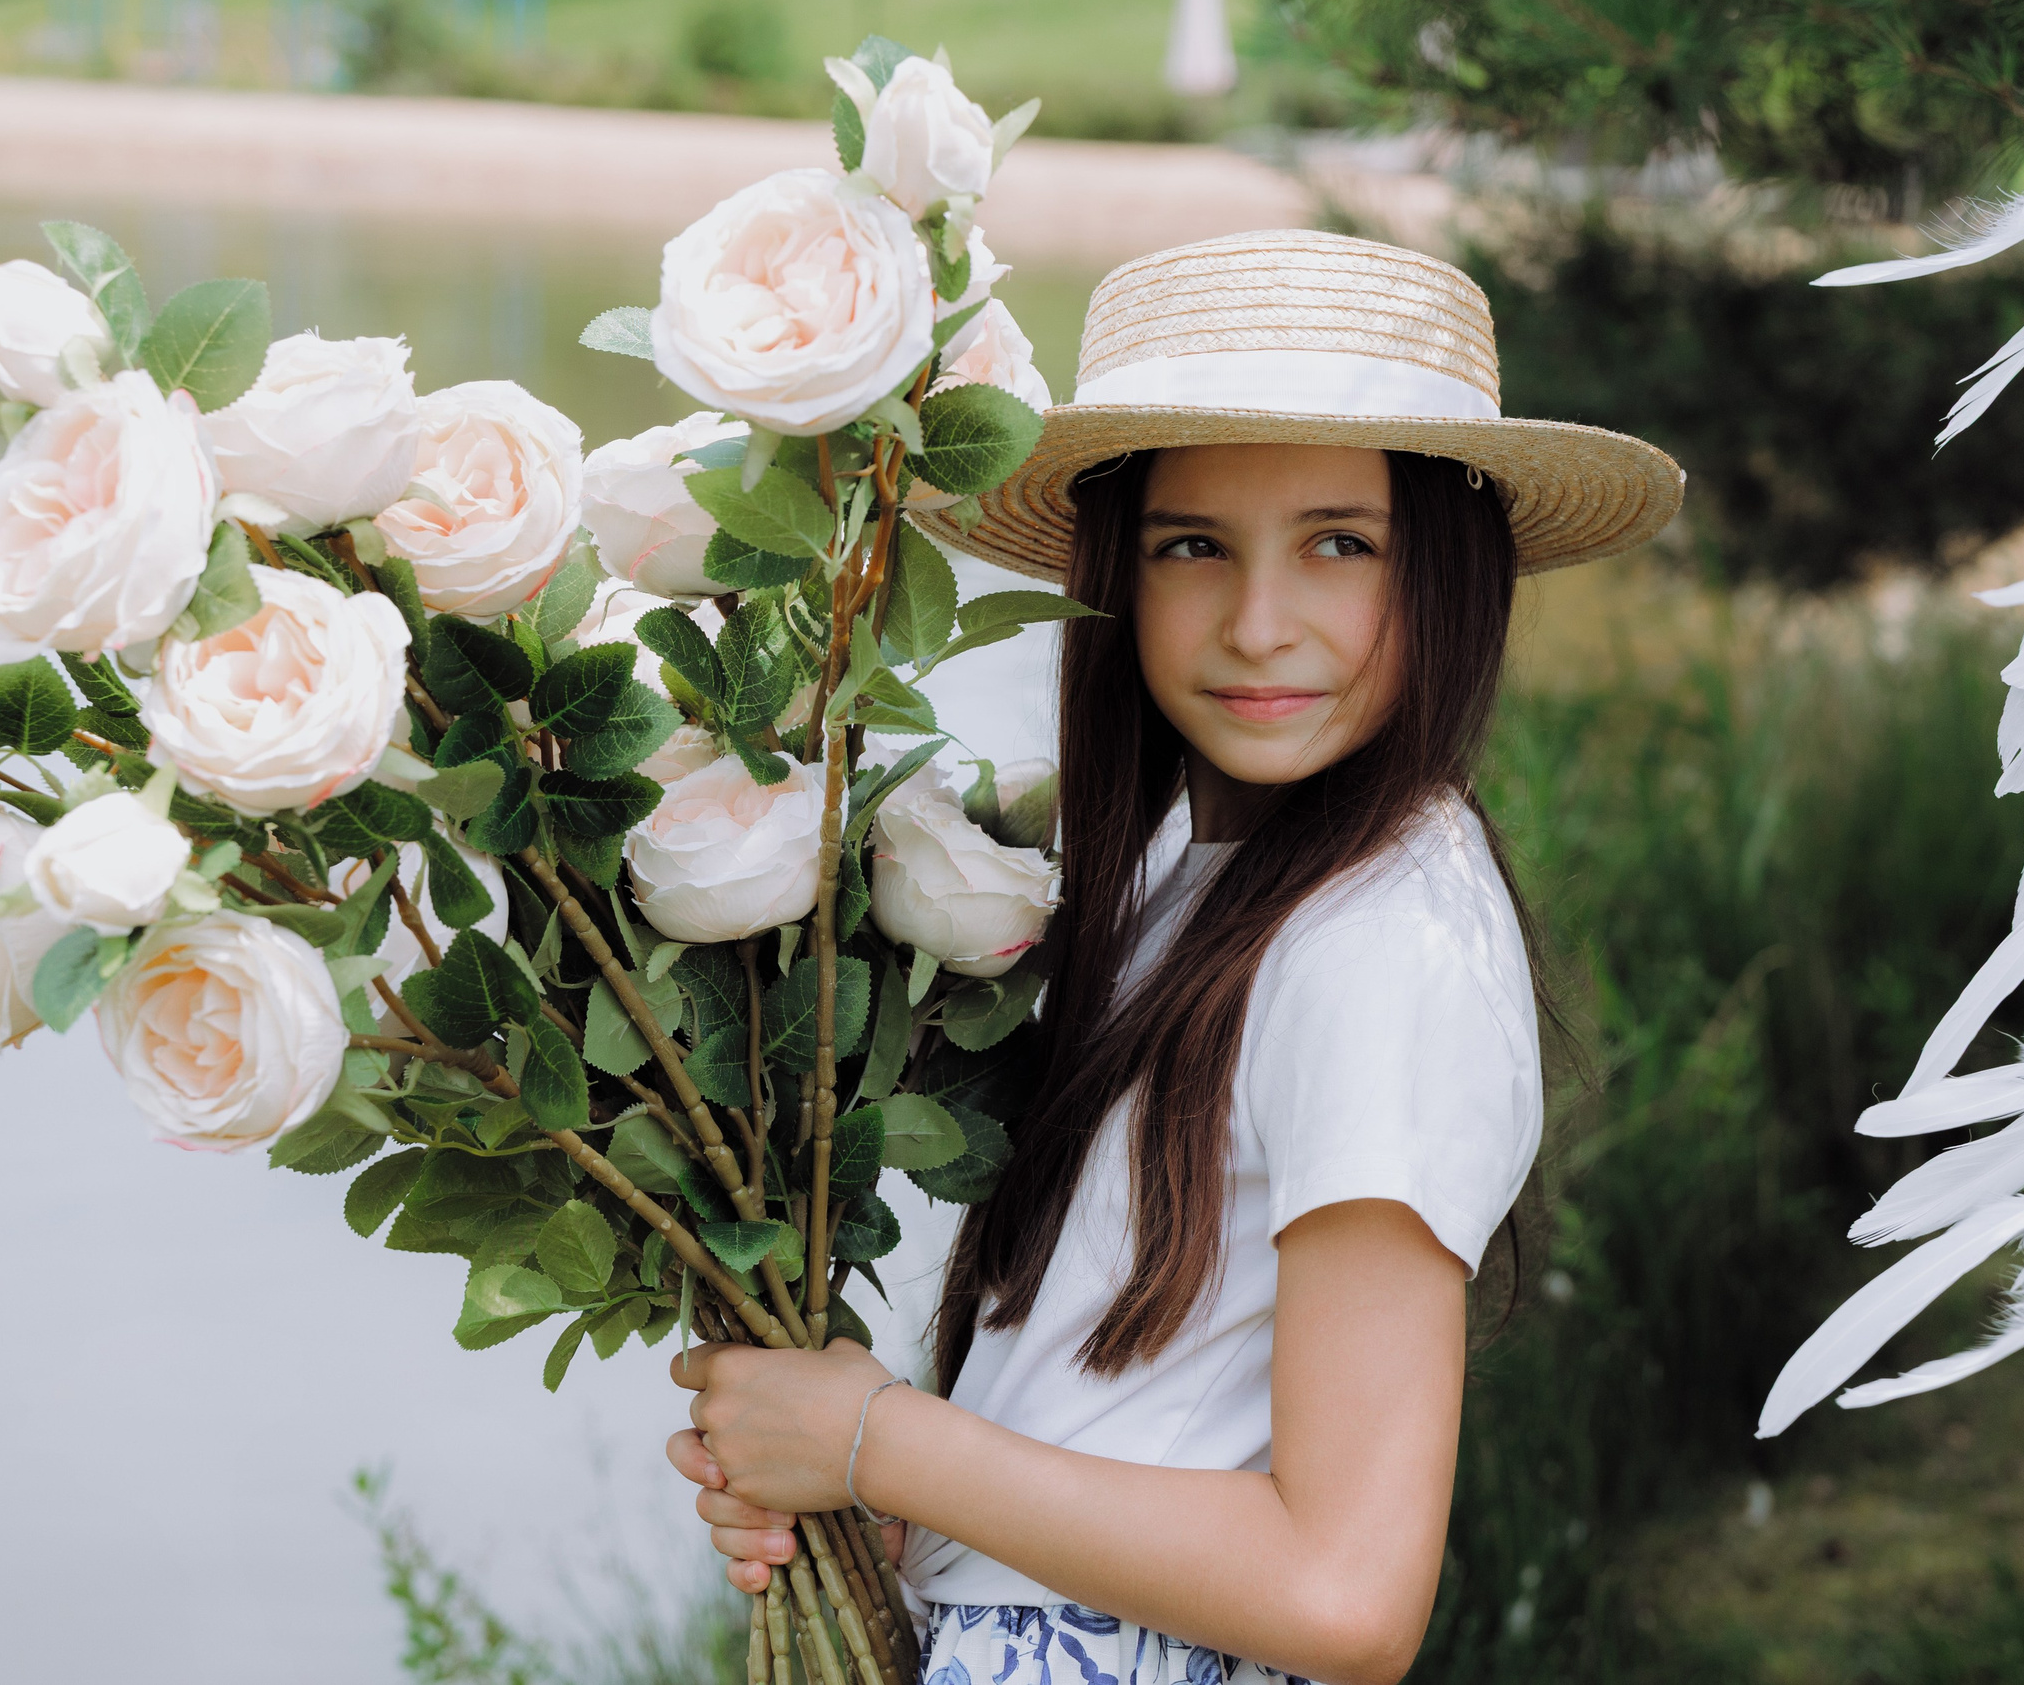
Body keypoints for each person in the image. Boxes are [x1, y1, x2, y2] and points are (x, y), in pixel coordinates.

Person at [664, 230, 1682, 1685]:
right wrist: (869, 1493)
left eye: (1342, 543)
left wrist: (884, 1439)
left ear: (1450, 568)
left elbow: (1346, 1591)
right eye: (1192, 545)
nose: (1260, 627)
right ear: (1118, 573)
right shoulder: (1191, 878)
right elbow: (1136, 1411)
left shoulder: (1381, 941)